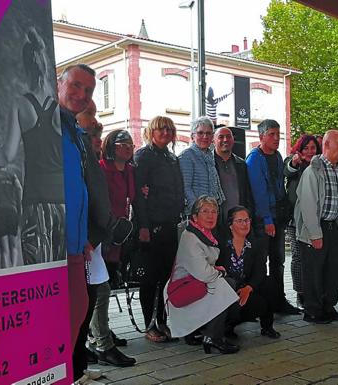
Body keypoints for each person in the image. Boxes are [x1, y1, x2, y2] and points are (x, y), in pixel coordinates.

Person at [58, 64, 135, 381]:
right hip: (57, 243)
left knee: (80, 311)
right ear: (58, 83)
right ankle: (76, 367)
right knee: (74, 314)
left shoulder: (75, 132)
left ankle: (76, 370)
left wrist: (85, 235)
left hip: (81, 242)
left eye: (88, 90)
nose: (81, 94)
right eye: (75, 86)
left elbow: (82, 191)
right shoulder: (53, 126)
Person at [0, 28, 65, 265]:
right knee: (63, 273)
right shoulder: (61, 107)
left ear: (25, 67)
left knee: (40, 272)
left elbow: (6, 155)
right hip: (63, 201)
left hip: (35, 199)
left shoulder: (20, 104)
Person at [294, 130, 338, 323]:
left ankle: (328, 306)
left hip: (334, 227)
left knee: (334, 268)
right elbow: (308, 205)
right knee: (314, 270)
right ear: (326, 145)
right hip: (314, 229)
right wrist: (315, 234)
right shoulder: (313, 171)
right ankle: (313, 310)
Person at [165, 196, 239, 354]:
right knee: (226, 285)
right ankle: (213, 337)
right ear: (195, 216)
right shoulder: (191, 238)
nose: (210, 215)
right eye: (205, 211)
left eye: (214, 212)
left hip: (193, 284)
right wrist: (221, 271)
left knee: (226, 283)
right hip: (183, 290)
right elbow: (205, 274)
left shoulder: (203, 233)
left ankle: (203, 332)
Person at [134, 116, 185, 343]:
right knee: (150, 278)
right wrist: (144, 226)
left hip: (170, 225)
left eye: (168, 129)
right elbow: (138, 197)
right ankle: (149, 324)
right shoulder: (143, 156)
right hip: (151, 225)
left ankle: (162, 321)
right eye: (160, 128)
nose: (165, 132)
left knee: (165, 277)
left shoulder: (172, 158)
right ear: (151, 132)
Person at [246, 119, 300, 315]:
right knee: (260, 263)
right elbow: (258, 192)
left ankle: (279, 300)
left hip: (278, 217)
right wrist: (267, 219)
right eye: (272, 134)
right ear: (261, 136)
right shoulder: (254, 159)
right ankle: (262, 305)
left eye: (278, 134)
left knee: (278, 260)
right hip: (263, 220)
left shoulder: (277, 156)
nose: (276, 138)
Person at [217, 206, 281, 339]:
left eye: (247, 220)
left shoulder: (256, 244)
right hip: (226, 290)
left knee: (269, 284)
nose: (244, 224)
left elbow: (261, 271)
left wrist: (248, 288)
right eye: (239, 221)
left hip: (246, 288)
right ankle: (226, 326)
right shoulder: (221, 245)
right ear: (230, 224)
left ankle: (267, 327)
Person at [284, 134, 321, 307]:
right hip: (295, 219)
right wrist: (294, 163)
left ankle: (315, 291)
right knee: (298, 256)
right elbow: (287, 170)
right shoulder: (294, 162)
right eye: (306, 148)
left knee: (315, 257)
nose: (309, 151)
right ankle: (300, 293)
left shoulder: (320, 165)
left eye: (313, 148)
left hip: (316, 218)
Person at [179, 116, 225, 216]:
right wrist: (198, 211)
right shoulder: (187, 156)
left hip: (210, 211)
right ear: (192, 136)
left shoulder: (209, 156)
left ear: (212, 137)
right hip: (196, 214)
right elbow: (186, 188)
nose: (205, 137)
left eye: (208, 133)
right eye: (200, 133)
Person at [213, 126, 254, 232]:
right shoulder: (208, 163)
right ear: (214, 140)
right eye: (221, 137)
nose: (225, 140)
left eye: (228, 137)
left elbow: (247, 193)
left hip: (238, 221)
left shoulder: (241, 164)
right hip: (215, 221)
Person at [0, 166, 22, 268]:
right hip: (12, 209)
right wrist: (19, 205)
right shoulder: (12, 174)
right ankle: (13, 269)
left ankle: (5, 274)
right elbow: (19, 188)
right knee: (13, 245)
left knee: (4, 250)